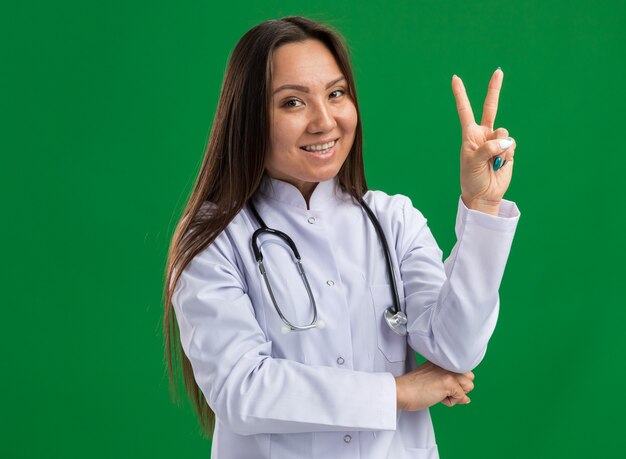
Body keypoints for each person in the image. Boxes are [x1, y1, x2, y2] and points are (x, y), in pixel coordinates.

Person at [163, 16, 520, 458]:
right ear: (249, 116)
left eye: (336, 94)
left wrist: (481, 206)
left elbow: (456, 348)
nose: (324, 120)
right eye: (293, 103)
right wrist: (397, 393)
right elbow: (242, 389)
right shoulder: (215, 238)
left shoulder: (393, 220)